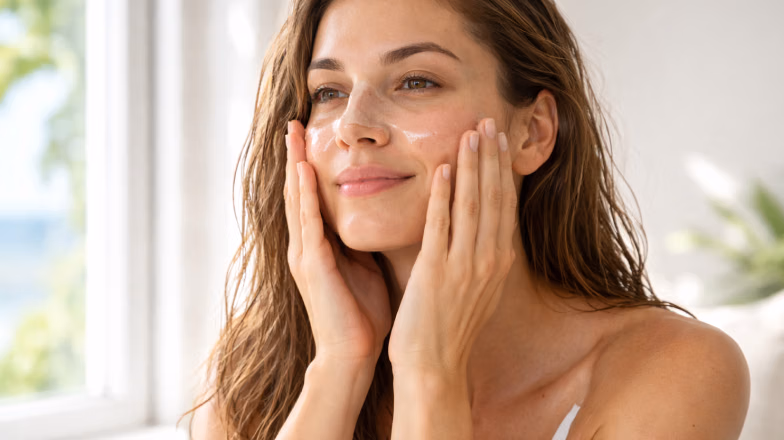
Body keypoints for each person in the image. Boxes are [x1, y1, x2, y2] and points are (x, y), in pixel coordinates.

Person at [187, 0, 751, 438]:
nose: (353, 124)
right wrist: (339, 366)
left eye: (416, 81)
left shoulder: (673, 373)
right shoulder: (249, 390)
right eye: (329, 91)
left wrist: (430, 371)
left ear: (532, 132)